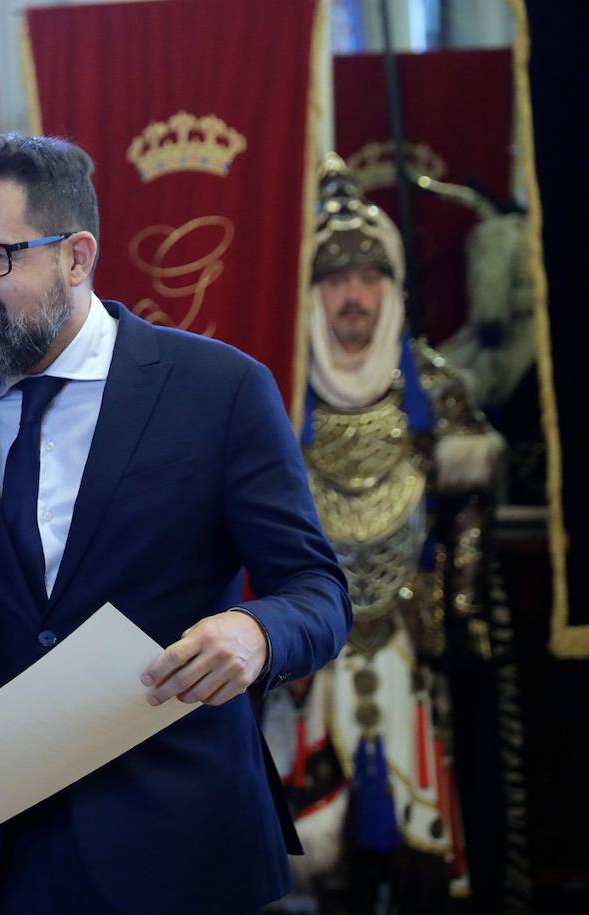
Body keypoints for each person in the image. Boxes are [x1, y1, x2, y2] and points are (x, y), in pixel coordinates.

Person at [0, 132, 352, 914]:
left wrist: (256, 634)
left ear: (76, 256)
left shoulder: (218, 389)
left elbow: (317, 590)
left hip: (187, 845)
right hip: (14, 851)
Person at [262, 154, 511, 913]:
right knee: (313, 852)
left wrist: (448, 606)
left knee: (419, 852)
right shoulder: (275, 393)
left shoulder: (434, 391)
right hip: (307, 652)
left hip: (412, 642)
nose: (352, 296)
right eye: (335, 279)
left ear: (394, 287)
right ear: (311, 292)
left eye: (368, 277)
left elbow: (467, 509)